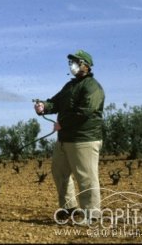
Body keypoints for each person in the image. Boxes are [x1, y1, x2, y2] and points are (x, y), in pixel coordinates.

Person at [33, 50, 105, 224]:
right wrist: (44, 106)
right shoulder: (70, 86)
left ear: (85, 65)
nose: (71, 65)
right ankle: (69, 208)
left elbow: (85, 111)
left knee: (86, 177)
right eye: (70, 62)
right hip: (65, 139)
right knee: (59, 173)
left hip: (84, 139)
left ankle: (92, 215)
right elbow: (55, 102)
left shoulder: (92, 87)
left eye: (75, 62)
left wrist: (62, 123)